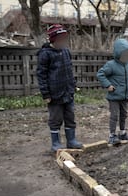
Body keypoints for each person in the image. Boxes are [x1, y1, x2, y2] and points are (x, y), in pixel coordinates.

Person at [37, 24, 82, 152]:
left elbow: (69, 70)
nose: (63, 42)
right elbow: (41, 75)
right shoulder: (45, 54)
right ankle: (56, 143)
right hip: (54, 94)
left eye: (64, 39)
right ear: (53, 40)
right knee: (55, 119)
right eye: (60, 39)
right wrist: (45, 94)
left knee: (70, 117)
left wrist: (73, 85)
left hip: (68, 92)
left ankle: (71, 140)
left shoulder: (66, 52)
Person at [96, 39, 128, 145]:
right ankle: (112, 135)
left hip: (125, 95)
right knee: (114, 115)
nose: (127, 57)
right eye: (125, 54)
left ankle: (122, 132)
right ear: (119, 53)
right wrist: (108, 85)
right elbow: (100, 74)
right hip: (114, 96)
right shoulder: (111, 65)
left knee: (123, 115)